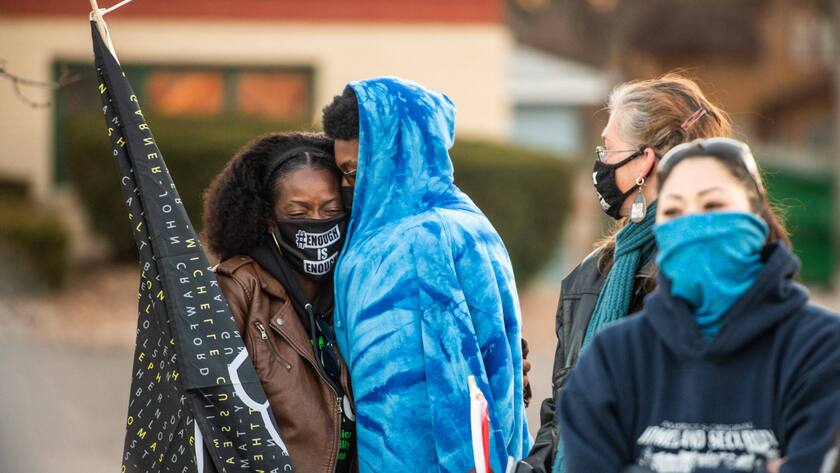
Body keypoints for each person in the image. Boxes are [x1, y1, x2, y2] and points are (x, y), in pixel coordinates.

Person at [558, 137, 840, 473]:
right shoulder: (614, 354)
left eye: (712, 206)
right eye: (674, 211)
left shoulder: (821, 347)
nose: (692, 225)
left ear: (756, 215)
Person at [520, 74, 733, 473]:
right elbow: (562, 412)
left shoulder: (710, 274)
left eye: (608, 149)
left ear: (644, 161)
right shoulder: (593, 274)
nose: (600, 162)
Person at [321, 77, 531, 472]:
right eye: (342, 174)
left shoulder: (418, 239)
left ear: (397, 157)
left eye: (356, 171)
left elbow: (456, 386)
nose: (348, 187)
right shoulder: (461, 218)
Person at [203, 132, 356, 473]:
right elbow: (212, 420)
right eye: (299, 211)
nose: (318, 222)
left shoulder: (355, 292)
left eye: (330, 210)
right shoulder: (238, 290)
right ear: (268, 218)